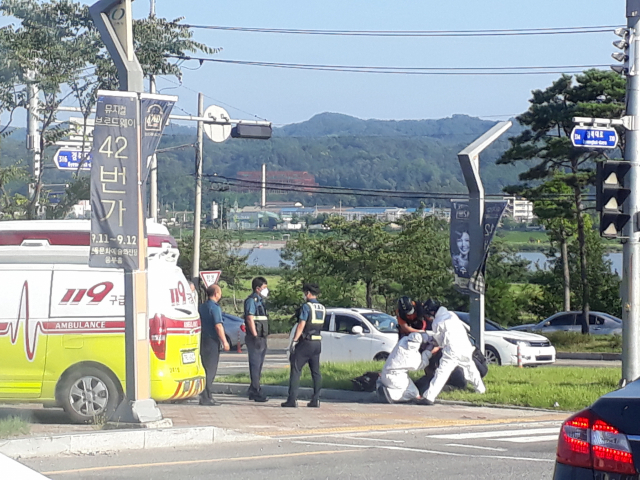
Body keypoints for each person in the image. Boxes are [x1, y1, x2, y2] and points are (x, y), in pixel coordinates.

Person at [422, 299, 486, 405]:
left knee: (442, 373)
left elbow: (439, 342)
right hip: (465, 345)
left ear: (432, 312)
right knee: (471, 369)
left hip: (452, 349)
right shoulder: (451, 314)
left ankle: (429, 397)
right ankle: (480, 389)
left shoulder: (437, 322)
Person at [282, 283, 325, 408]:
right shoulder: (322, 308)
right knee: (316, 372)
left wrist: (294, 341)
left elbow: (301, 324)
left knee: (296, 369)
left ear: (308, 293)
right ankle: (316, 399)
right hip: (317, 343)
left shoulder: (307, 307)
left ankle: (292, 400)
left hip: (306, 342)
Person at [377, 332, 439, 404]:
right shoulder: (410, 354)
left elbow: (417, 336)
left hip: (386, 373)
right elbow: (420, 365)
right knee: (414, 394)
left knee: (408, 388)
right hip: (396, 377)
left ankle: (381, 384)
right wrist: (428, 352)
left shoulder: (403, 342)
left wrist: (428, 339)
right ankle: (390, 394)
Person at [198, 284, 230, 406]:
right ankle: (206, 397)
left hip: (202, 339)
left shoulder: (202, 306)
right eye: (220, 292)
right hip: (212, 341)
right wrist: (224, 341)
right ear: (216, 293)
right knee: (210, 370)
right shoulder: (215, 308)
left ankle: (204, 395)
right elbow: (218, 325)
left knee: (205, 368)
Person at [244, 276, 270, 402]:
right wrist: (254, 335)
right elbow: (250, 318)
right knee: (255, 365)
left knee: (258, 365)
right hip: (255, 337)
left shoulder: (261, 301)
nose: (266, 290)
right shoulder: (251, 301)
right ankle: (256, 390)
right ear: (257, 289)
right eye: (264, 288)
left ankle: (252, 389)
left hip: (262, 337)